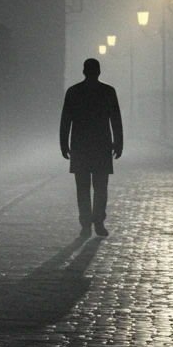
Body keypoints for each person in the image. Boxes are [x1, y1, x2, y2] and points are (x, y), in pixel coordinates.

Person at [60, 57, 123, 237]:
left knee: (83, 188)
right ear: (99, 71)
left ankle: (86, 223)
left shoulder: (73, 92)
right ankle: (99, 222)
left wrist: (64, 144)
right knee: (101, 187)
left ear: (84, 71)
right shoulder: (108, 91)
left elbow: (66, 121)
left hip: (80, 145)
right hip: (102, 145)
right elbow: (115, 120)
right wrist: (118, 143)